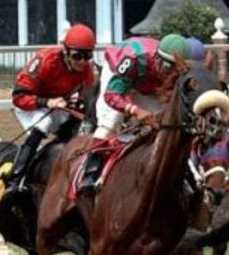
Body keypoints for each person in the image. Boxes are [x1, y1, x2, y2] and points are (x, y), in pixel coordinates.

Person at [76, 33, 192, 195]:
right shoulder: (135, 60)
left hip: (148, 84)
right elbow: (111, 96)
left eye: (176, 71)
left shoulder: (178, 72)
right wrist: (135, 110)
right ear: (157, 59)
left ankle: (187, 175)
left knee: (165, 126)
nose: (171, 75)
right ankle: (89, 175)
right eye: (167, 68)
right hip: (121, 76)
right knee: (110, 123)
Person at [5, 23, 97, 199]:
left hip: (57, 105)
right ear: (66, 51)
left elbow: (87, 97)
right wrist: (47, 102)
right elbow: (18, 96)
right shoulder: (45, 60)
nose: (83, 62)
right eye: (78, 56)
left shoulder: (86, 69)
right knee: (44, 123)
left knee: (82, 129)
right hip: (30, 104)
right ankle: (15, 179)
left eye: (88, 56)